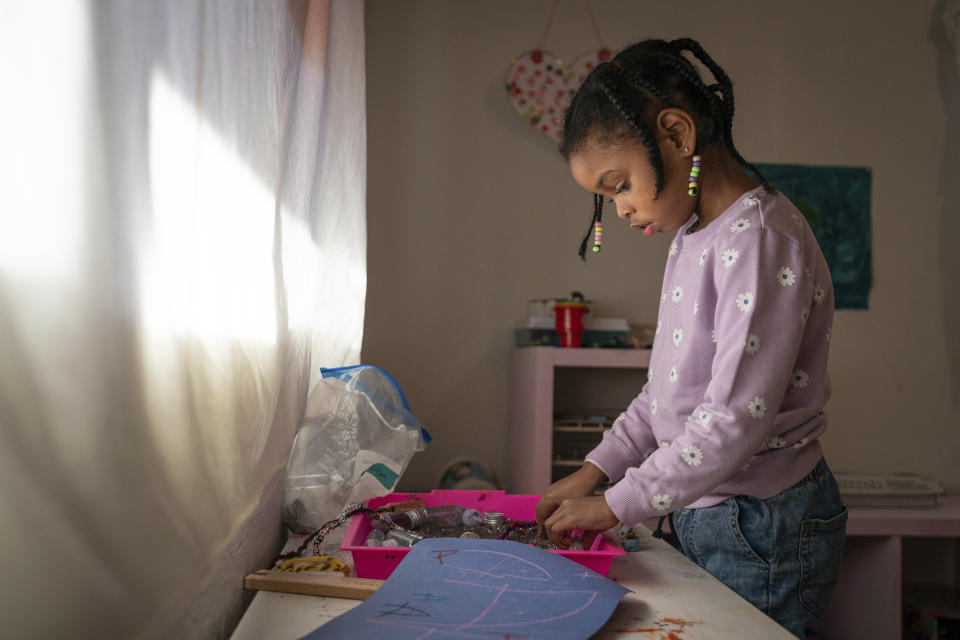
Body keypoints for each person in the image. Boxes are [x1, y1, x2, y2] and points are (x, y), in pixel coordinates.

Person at [534, 38, 847, 638]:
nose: (619, 211)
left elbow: (733, 422)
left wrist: (615, 504)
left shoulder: (759, 241)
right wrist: (598, 468)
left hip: (761, 524)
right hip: (703, 508)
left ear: (677, 136)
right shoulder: (694, 236)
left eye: (618, 184)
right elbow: (666, 393)